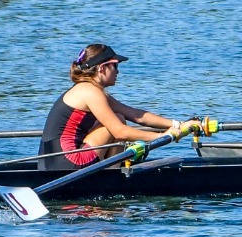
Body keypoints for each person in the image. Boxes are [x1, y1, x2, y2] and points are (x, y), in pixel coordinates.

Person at [39, 44, 190, 169]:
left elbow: (137, 115)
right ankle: (114, 175)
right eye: (115, 66)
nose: (118, 72)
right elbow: (120, 132)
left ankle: (113, 170)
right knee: (117, 123)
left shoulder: (87, 89)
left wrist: (178, 124)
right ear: (101, 68)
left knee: (117, 117)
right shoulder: (91, 92)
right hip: (68, 163)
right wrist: (162, 136)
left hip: (48, 163)